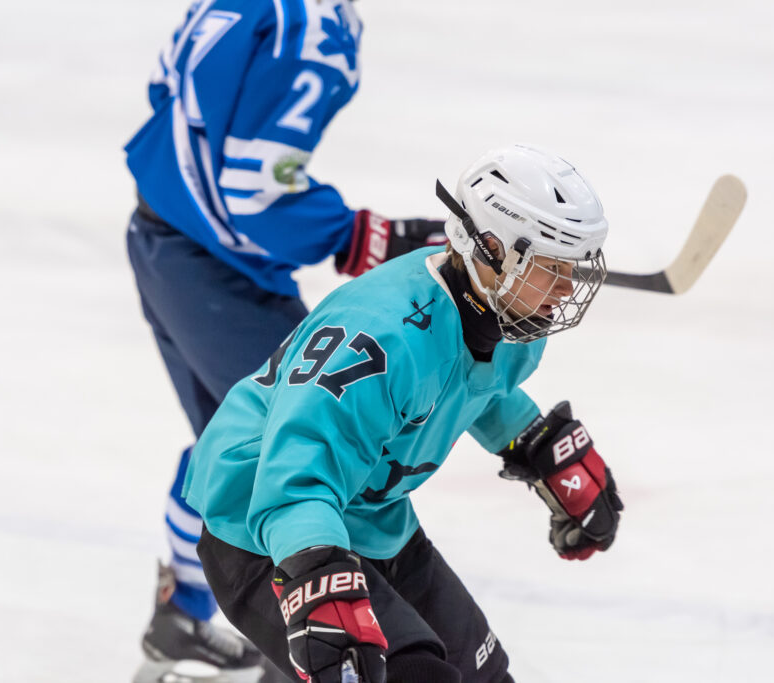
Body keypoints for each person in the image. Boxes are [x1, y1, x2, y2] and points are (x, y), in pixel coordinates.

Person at [181, 144, 625, 683]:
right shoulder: (380, 340)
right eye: (551, 267)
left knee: (484, 676)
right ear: (490, 249)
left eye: (570, 267)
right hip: (265, 523)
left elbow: (468, 381)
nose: (567, 287)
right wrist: (315, 576)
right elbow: (296, 467)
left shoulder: (506, 315)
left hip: (370, 519)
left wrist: (536, 440)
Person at [124, 1, 446, 679]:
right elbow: (254, 190)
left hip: (163, 238)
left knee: (229, 441)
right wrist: (358, 234)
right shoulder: (312, 29)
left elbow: (166, 98)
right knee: (295, 450)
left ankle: (181, 614)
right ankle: (300, 653)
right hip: (219, 271)